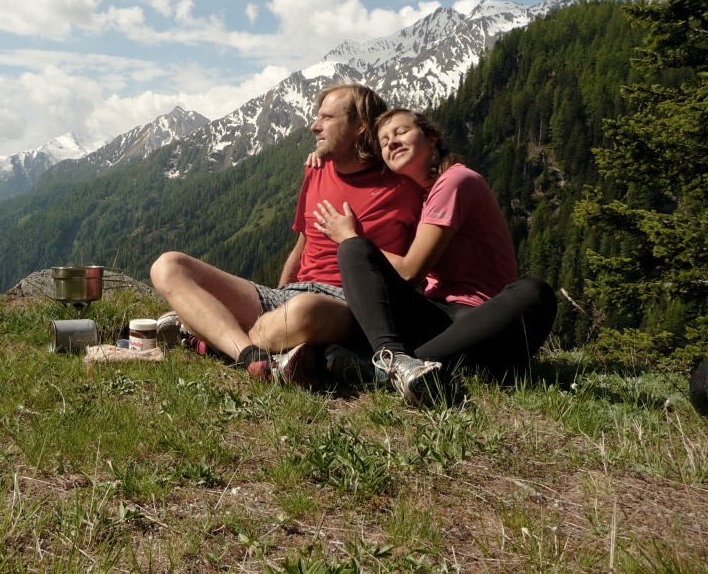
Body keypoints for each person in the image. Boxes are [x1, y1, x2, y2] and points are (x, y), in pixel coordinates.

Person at [151, 84, 424, 388]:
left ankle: (207, 332)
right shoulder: (316, 170)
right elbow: (302, 247)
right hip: (292, 294)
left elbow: (415, 272)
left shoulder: (405, 186)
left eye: (327, 118)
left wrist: (351, 240)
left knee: (302, 312)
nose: (314, 126)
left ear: (359, 125)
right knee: (168, 266)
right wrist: (279, 294)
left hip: (352, 304)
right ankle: (250, 354)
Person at [311, 108, 557, 405]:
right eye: (384, 141)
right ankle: (396, 362)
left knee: (535, 293)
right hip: (438, 319)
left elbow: (409, 272)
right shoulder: (421, 196)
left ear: (431, 139)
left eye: (401, 132)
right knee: (354, 249)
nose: (391, 142)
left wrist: (348, 235)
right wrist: (322, 157)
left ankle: (382, 367)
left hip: (482, 323)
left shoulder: (456, 180)